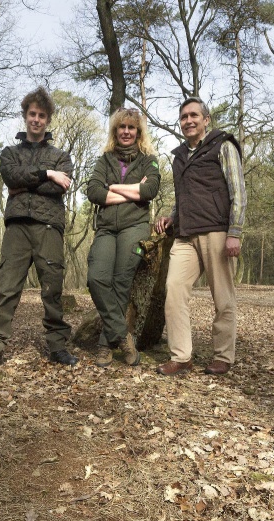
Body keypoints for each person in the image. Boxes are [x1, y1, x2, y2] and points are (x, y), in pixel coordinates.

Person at [0, 87, 77, 372]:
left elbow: (59, 187)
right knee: (6, 288)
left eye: (42, 115)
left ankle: (57, 347)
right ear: (25, 116)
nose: (37, 119)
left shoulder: (61, 156)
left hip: (49, 227)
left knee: (52, 288)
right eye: (32, 114)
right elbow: (10, 174)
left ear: (48, 119)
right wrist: (45, 174)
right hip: (17, 227)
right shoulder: (10, 153)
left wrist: (25, 185)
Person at [154, 96, 245, 376]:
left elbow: (238, 190)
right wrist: (172, 216)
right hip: (185, 234)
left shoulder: (223, 145)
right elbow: (183, 196)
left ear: (206, 120)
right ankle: (181, 356)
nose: (189, 121)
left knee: (223, 298)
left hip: (217, 230)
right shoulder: (179, 156)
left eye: (194, 115)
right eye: (184, 117)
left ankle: (223, 356)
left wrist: (235, 232)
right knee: (174, 288)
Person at [86, 108, 162, 368]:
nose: (127, 132)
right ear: (115, 131)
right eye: (122, 127)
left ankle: (105, 346)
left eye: (132, 128)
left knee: (121, 283)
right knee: (96, 278)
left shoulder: (148, 159)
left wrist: (113, 188)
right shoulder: (104, 160)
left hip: (135, 226)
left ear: (138, 132)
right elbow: (93, 191)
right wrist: (132, 190)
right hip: (106, 227)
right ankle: (123, 336)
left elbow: (150, 189)